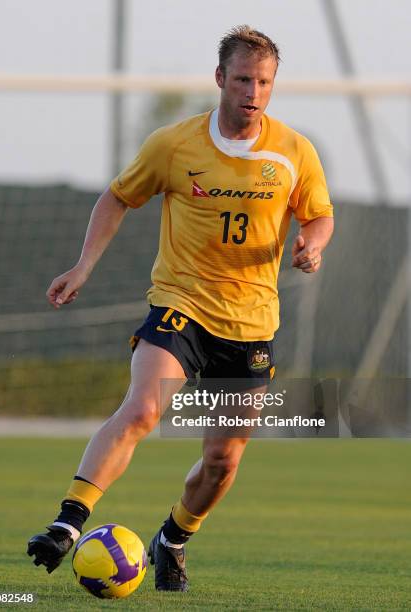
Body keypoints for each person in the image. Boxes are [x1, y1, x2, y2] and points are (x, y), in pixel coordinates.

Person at [27, 25, 334, 592]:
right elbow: (119, 195)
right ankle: (68, 522)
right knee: (144, 408)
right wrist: (83, 265)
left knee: (222, 461)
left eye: (264, 81)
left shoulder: (294, 152)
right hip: (181, 302)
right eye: (243, 78)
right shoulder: (174, 144)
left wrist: (312, 244)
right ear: (220, 78)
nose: (254, 91)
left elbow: (318, 213)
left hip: (251, 323)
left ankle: (171, 540)